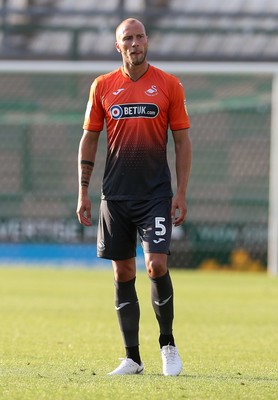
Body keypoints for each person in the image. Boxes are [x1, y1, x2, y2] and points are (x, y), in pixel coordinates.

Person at [76, 18, 192, 376]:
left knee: (156, 264)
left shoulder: (169, 85)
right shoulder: (103, 86)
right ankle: (132, 358)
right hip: (115, 195)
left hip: (156, 193)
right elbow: (90, 137)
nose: (135, 42)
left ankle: (168, 346)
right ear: (118, 46)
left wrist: (181, 193)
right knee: (123, 270)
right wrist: (83, 191)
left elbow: (182, 141)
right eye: (128, 38)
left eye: (140, 36)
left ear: (147, 41)